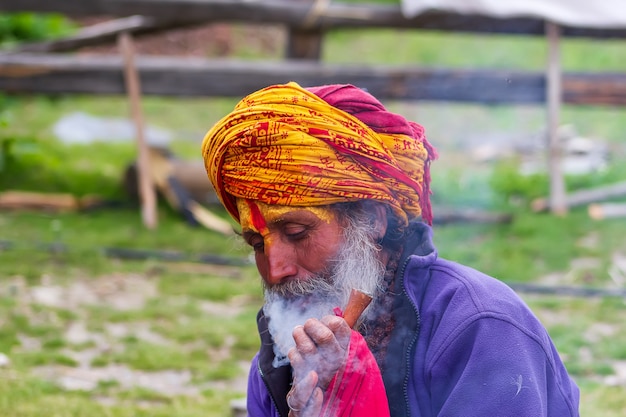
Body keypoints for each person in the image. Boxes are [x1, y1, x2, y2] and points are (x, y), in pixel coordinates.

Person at [201, 82, 580, 417]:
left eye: (298, 232)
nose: (275, 269)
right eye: (257, 245)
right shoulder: (278, 360)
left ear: (374, 220)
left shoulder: (480, 328)